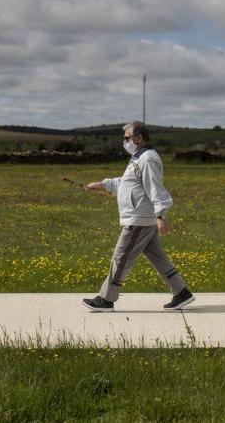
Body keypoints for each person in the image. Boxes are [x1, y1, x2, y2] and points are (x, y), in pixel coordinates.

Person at [81, 121, 194, 311]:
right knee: (158, 258)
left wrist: (161, 215)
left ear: (138, 138)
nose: (124, 142)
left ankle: (106, 299)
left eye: (127, 138)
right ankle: (181, 292)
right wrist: (103, 184)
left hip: (139, 219)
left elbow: (154, 187)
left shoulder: (147, 158)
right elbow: (128, 183)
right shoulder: (138, 157)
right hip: (142, 218)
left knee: (121, 257)